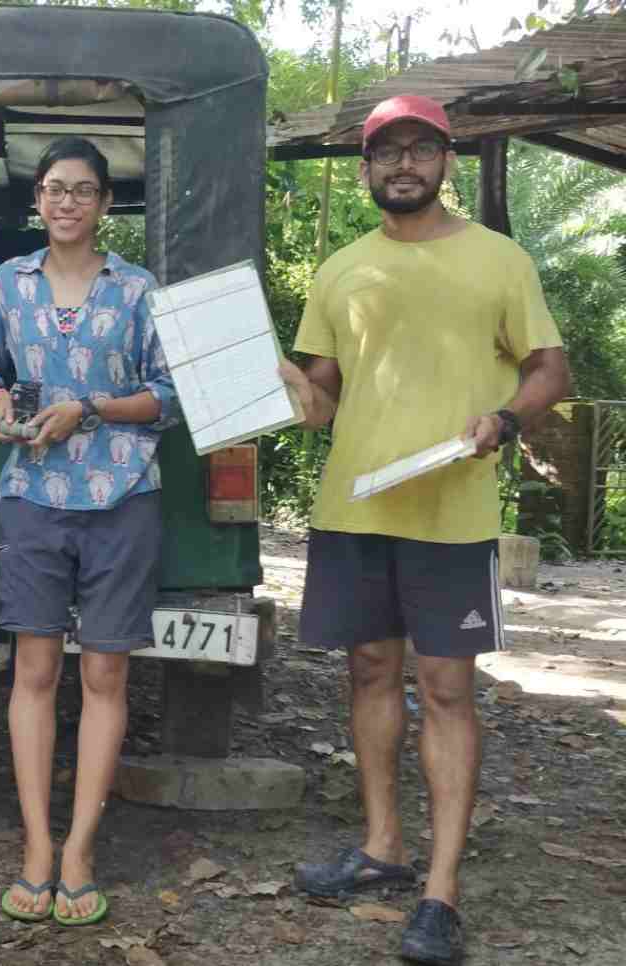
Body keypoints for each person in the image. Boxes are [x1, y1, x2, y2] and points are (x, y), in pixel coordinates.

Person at [281, 95, 570, 966]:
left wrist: (507, 419)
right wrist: (272, 384)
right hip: (356, 505)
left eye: (420, 150)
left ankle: (440, 891)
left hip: (454, 511)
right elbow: (325, 398)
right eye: (386, 153)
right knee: (370, 671)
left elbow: (548, 367)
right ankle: (383, 849)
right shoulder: (339, 270)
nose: (402, 165)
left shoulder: (500, 260)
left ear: (445, 164)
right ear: (366, 169)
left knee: (447, 689)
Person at [0, 136, 178, 926]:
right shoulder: (8, 283)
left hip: (123, 495)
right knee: (33, 673)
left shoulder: (138, 288)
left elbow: (168, 394)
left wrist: (88, 407)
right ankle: (36, 847)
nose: (65, 203)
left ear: (105, 204)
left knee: (106, 679)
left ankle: (81, 848)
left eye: (82, 190)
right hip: (32, 494)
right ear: (39, 199)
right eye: (54, 189)